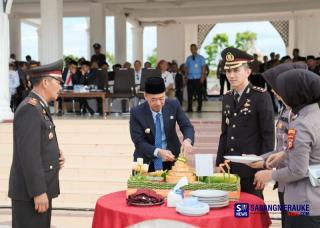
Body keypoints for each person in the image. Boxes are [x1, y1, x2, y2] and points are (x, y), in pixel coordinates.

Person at [254, 67, 320, 228]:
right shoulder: (314, 114)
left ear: (295, 93)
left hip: (303, 202)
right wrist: (283, 154)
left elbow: (297, 170)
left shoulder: (301, 124)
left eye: (283, 90)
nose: (279, 94)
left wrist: (269, 175)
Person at [8, 59, 66, 228]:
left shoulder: (39, 106)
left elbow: (39, 142)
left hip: (39, 189)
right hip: (31, 193)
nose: (60, 87)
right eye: (58, 82)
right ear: (46, 82)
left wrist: (56, 154)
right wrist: (38, 191)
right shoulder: (30, 109)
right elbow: (28, 156)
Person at [215, 47, 275, 199]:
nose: (231, 75)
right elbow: (225, 133)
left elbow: (268, 135)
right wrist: (219, 162)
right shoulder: (227, 97)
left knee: (252, 211)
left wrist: (265, 167)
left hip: (251, 169)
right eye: (228, 71)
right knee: (233, 211)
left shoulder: (261, 96)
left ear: (248, 72)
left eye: (236, 70)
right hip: (229, 168)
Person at [129, 77, 195, 171]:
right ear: (145, 96)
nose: (158, 103)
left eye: (161, 98)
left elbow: (186, 126)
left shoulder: (174, 105)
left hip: (172, 160)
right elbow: (139, 141)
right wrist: (158, 152)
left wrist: (188, 140)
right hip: (145, 163)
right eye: (154, 99)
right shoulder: (137, 112)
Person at [185, 44, 206, 112]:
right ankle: (189, 108)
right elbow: (186, 68)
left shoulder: (201, 58)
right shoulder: (188, 58)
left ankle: (199, 108)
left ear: (196, 49)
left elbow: (203, 68)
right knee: (190, 95)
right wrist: (186, 77)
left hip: (198, 79)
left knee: (199, 94)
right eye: (191, 49)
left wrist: (202, 77)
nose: (193, 50)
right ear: (190, 50)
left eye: (194, 48)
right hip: (190, 79)